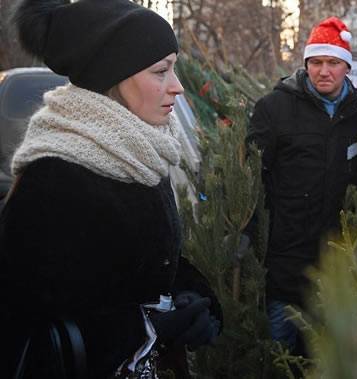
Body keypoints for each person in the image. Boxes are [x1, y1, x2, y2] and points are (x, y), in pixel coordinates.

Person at [0, 0, 221, 377]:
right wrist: (143, 330)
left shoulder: (142, 155)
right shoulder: (53, 178)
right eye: (161, 71)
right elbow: (17, 324)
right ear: (113, 76)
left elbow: (146, 264)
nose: (178, 87)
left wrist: (196, 298)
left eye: (175, 68)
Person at [246, 16, 357, 354]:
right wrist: (245, 240)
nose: (323, 71)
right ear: (306, 64)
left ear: (346, 67)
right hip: (284, 266)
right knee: (279, 357)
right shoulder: (274, 109)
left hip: (340, 269)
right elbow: (248, 176)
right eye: (316, 62)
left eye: (332, 63)